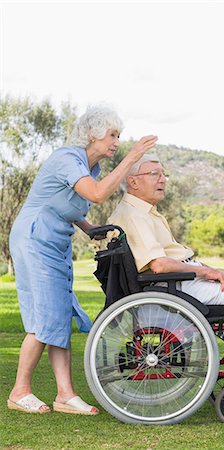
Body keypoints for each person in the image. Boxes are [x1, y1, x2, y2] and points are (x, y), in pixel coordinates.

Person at [8, 105, 158, 414]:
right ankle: (19, 391)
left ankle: (65, 394)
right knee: (45, 315)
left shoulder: (92, 169)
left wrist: (91, 229)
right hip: (35, 238)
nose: (117, 142)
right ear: (92, 134)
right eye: (113, 135)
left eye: (119, 136)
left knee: (60, 314)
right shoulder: (67, 159)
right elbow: (97, 195)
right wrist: (132, 158)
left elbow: (70, 207)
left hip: (56, 241)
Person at [109, 154, 224, 394]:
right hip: (174, 287)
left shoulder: (143, 212)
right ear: (133, 181)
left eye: (164, 174)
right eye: (154, 174)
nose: (163, 179)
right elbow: (158, 265)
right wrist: (204, 271)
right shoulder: (134, 215)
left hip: (178, 282)